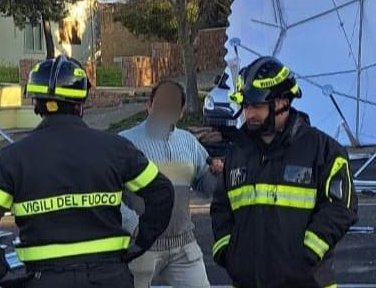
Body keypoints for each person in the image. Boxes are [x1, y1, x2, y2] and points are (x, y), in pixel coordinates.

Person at [0, 55, 174, 287]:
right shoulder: (115, 149)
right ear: (80, 104)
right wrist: (141, 242)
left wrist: (0, 272)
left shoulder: (12, 158)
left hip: (44, 280)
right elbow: (162, 191)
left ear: (36, 103)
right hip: (110, 277)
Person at [211, 56, 357, 288]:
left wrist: (307, 253)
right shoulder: (238, 153)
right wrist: (228, 253)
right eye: (246, 106)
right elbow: (221, 207)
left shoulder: (323, 151)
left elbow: (341, 208)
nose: (249, 114)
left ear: (283, 102)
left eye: (257, 106)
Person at [119, 80, 223, 288]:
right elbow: (110, 193)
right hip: (140, 246)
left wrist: (215, 174)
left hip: (183, 245)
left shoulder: (188, 142)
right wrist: (132, 226)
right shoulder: (125, 143)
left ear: (181, 111)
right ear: (149, 105)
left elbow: (205, 189)